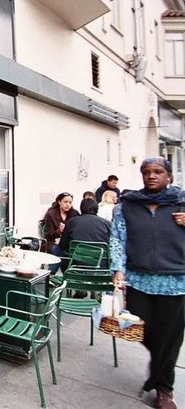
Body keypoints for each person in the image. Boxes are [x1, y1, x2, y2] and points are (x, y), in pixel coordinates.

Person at [110, 157, 185, 409]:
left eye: (158, 171)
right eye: (146, 172)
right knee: (144, 332)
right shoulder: (128, 205)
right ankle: (159, 365)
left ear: (168, 176)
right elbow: (117, 239)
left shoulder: (181, 202)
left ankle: (164, 389)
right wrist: (118, 269)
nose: (151, 176)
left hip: (176, 282)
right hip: (138, 280)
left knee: (170, 336)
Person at [51, 199, 111, 273]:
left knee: (56, 249)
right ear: (97, 209)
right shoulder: (107, 224)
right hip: (102, 267)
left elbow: (63, 245)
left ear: (81, 209)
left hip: (76, 266)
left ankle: (50, 274)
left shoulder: (71, 222)